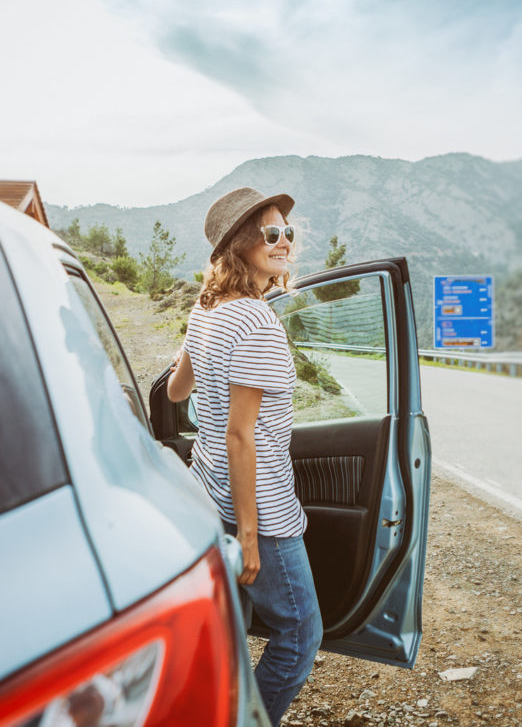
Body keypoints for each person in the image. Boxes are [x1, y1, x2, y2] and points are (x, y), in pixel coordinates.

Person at [166, 187, 320, 727]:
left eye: (286, 233)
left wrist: (201, 351)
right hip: (262, 504)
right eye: (269, 234)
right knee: (301, 635)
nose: (283, 243)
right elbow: (240, 435)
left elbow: (176, 392)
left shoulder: (205, 309)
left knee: (235, 627)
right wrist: (251, 533)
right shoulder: (257, 323)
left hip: (206, 488)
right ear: (241, 244)